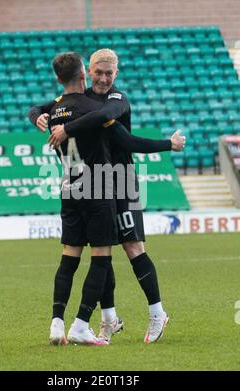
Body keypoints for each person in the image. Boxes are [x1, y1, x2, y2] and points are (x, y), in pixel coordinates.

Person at [28, 49, 185, 344]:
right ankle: (109, 318)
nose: (103, 78)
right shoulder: (81, 98)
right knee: (103, 250)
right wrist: (38, 116)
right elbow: (39, 106)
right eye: (98, 72)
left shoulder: (117, 99)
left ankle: (157, 312)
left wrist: (169, 144)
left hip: (121, 181)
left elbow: (115, 126)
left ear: (116, 73)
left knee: (132, 246)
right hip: (95, 185)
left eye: (109, 73)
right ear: (88, 70)